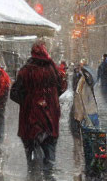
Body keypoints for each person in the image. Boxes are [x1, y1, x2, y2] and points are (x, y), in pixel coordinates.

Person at [10, 41, 67, 171]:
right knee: (49, 153)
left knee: (31, 155)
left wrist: (28, 102)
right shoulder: (53, 70)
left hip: (30, 121)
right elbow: (61, 88)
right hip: (50, 121)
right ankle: (48, 179)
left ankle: (34, 179)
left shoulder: (25, 71)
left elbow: (14, 94)